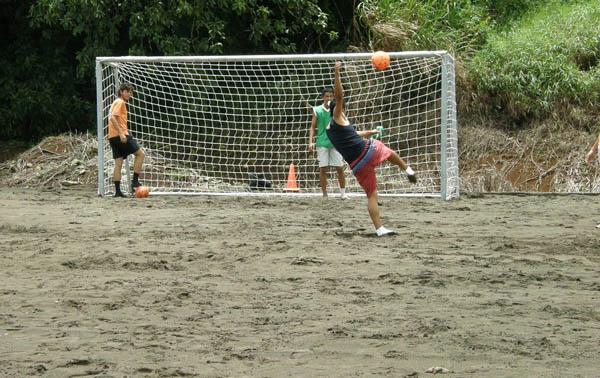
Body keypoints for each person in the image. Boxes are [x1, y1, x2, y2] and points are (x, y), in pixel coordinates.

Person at [326, 62, 417, 237]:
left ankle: (380, 229)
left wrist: (371, 132)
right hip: (367, 151)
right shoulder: (338, 115)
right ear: (341, 110)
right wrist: (337, 73)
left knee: (372, 195)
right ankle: (407, 169)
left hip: (357, 166)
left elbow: (355, 134)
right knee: (388, 151)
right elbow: (339, 96)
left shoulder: (331, 130)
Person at [308, 88, 348, 199]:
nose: (329, 98)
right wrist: (310, 142)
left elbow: (344, 123)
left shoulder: (336, 110)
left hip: (336, 143)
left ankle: (343, 194)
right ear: (323, 97)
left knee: (340, 168)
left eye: (331, 96)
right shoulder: (318, 110)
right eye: (327, 96)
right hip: (322, 143)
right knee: (323, 168)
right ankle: (325, 194)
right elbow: (312, 127)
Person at [108, 83, 145, 197]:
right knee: (140, 154)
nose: (129, 94)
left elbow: (111, 117)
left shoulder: (115, 102)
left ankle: (118, 192)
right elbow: (113, 117)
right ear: (121, 92)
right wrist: (121, 134)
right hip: (121, 135)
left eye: (130, 92)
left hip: (112, 137)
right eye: (127, 91)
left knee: (118, 163)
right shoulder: (120, 102)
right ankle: (135, 181)